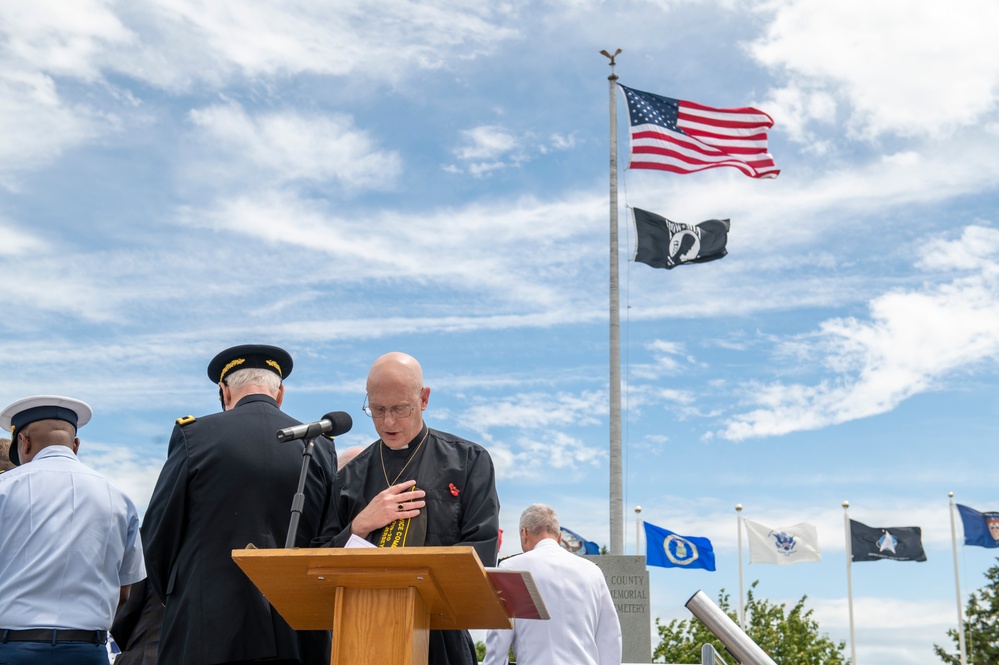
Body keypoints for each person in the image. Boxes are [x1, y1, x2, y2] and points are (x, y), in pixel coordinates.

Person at [141, 344, 338, 665]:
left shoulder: (194, 435)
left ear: (224, 391)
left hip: (209, 629)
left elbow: (159, 533)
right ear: (280, 393)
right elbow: (329, 534)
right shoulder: (318, 444)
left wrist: (185, 596)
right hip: (297, 630)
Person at [316, 351, 500, 665]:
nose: (388, 421)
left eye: (400, 408)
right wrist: (359, 525)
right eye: (377, 409)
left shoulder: (468, 461)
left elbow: (480, 553)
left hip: (442, 637)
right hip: (362, 636)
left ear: (424, 398)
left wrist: (410, 583)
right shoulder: (349, 476)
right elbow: (319, 562)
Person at [0, 395, 145, 665]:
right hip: (87, 650)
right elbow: (125, 592)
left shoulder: (5, 488)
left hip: (11, 649)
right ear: (75, 445)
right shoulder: (119, 498)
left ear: (24, 442)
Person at [484, 504, 622, 665]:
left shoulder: (511, 568)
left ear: (524, 533)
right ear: (559, 536)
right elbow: (610, 637)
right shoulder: (593, 572)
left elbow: (499, 640)